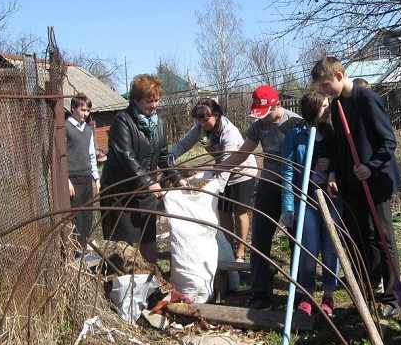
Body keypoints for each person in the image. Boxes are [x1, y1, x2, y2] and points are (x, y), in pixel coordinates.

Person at [312, 57, 401, 318]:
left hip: (375, 180)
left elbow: (388, 142)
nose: (325, 92)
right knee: (363, 238)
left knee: (384, 238)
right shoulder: (338, 105)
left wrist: (371, 166)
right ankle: (369, 289)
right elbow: (340, 145)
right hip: (351, 181)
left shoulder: (368, 99)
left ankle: (393, 296)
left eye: (327, 85)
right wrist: (333, 172)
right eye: (321, 88)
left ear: (340, 75)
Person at [216, 85, 303, 310]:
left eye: (266, 111)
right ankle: (260, 294)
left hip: (292, 186)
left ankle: (301, 293)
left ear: (277, 104)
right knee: (260, 240)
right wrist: (219, 168)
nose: (262, 117)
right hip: (268, 184)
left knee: (296, 239)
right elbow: (244, 152)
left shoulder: (294, 123)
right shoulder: (258, 126)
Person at [100, 74, 185, 264]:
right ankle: (125, 283)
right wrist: (148, 182)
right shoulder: (122, 121)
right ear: (136, 100)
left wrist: (178, 179)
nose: (154, 105)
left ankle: (150, 279)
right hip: (121, 191)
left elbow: (163, 156)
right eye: (149, 101)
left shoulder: (159, 124)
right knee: (125, 242)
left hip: (145, 191)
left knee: (148, 235)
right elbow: (125, 156)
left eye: (156, 100)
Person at [171, 98, 257, 262]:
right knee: (224, 212)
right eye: (199, 120)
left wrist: (215, 188)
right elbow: (184, 144)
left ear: (216, 115)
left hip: (241, 172)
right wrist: (170, 156)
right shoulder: (199, 129)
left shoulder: (228, 131)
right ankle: (228, 248)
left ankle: (240, 250)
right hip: (221, 170)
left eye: (205, 119)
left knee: (239, 212)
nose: (202, 123)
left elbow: (228, 162)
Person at [281, 91, 342, 316]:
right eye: (324, 106)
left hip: (331, 198)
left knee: (330, 248)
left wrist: (333, 166)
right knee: (308, 248)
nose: (327, 110)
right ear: (311, 108)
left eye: (328, 105)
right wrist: (288, 206)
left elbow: (342, 159)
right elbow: (287, 171)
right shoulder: (294, 136)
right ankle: (306, 295)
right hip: (305, 197)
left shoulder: (332, 134)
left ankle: (328, 295)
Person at [66, 96, 101, 253]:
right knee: (76, 217)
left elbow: (91, 154)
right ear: (73, 108)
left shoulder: (87, 129)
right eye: (82, 110)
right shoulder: (65, 127)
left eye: (88, 110)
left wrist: (96, 177)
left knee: (87, 216)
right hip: (73, 178)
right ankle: (75, 252)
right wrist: (66, 180)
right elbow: (61, 156)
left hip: (87, 177)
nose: (86, 113)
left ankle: (83, 248)